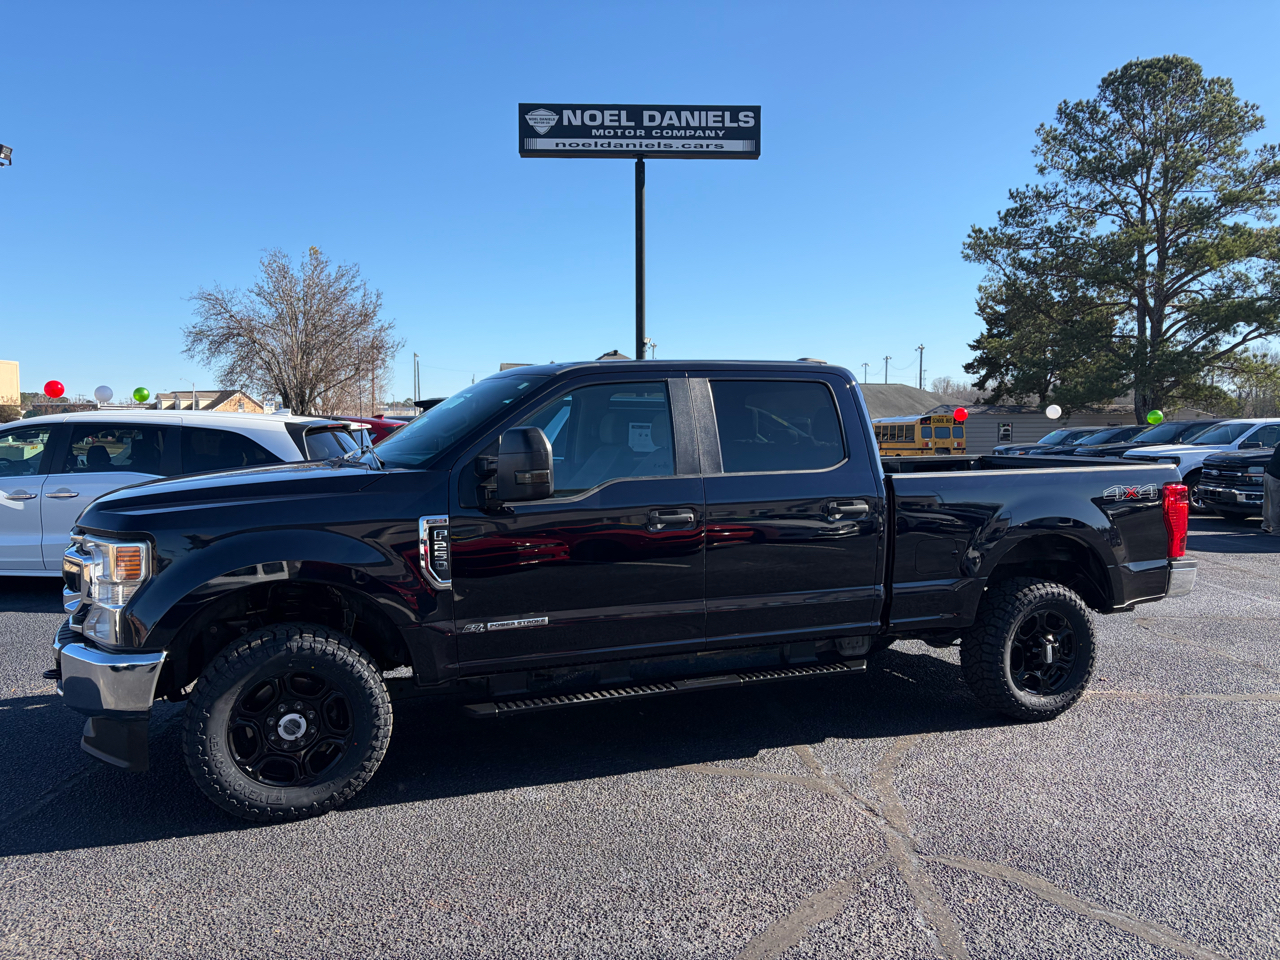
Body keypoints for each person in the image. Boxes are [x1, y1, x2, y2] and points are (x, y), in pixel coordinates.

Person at [1264, 442, 1280, 535]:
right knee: (1276, 505)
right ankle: (1277, 530)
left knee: (1268, 503)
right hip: (1277, 477)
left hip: (1269, 473)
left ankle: (1266, 524)